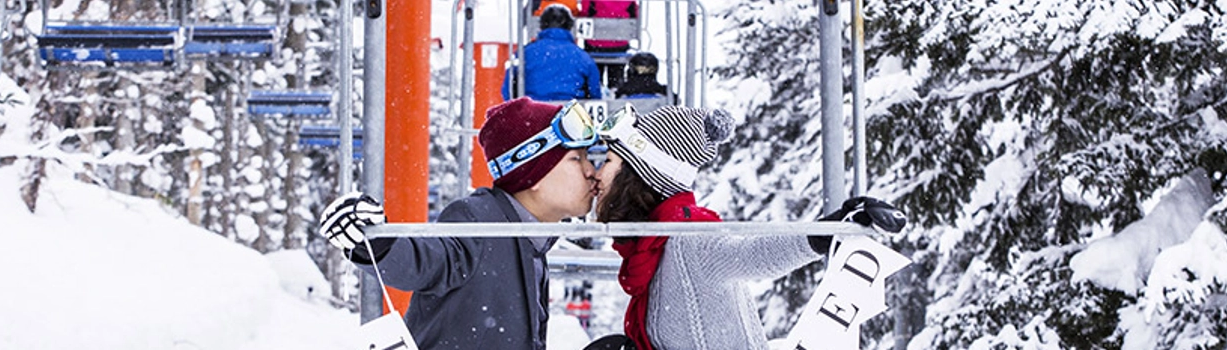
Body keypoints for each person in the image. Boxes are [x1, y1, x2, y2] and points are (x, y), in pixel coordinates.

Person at [588, 105, 908, 350]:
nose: (598, 174)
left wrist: (836, 226)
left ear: (641, 173)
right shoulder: (654, 245)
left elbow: (756, 253)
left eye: (609, 162)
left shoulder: (690, 242)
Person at [317, 97, 602, 350]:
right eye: (576, 158)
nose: (591, 171)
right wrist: (374, 242)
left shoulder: (530, 240)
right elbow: (426, 261)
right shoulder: (479, 222)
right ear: (533, 172)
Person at [504, 5, 604, 101]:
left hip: (533, 108)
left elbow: (508, 89)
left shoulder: (524, 53)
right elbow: (595, 94)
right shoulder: (582, 57)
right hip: (570, 109)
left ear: (542, 25)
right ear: (570, 27)